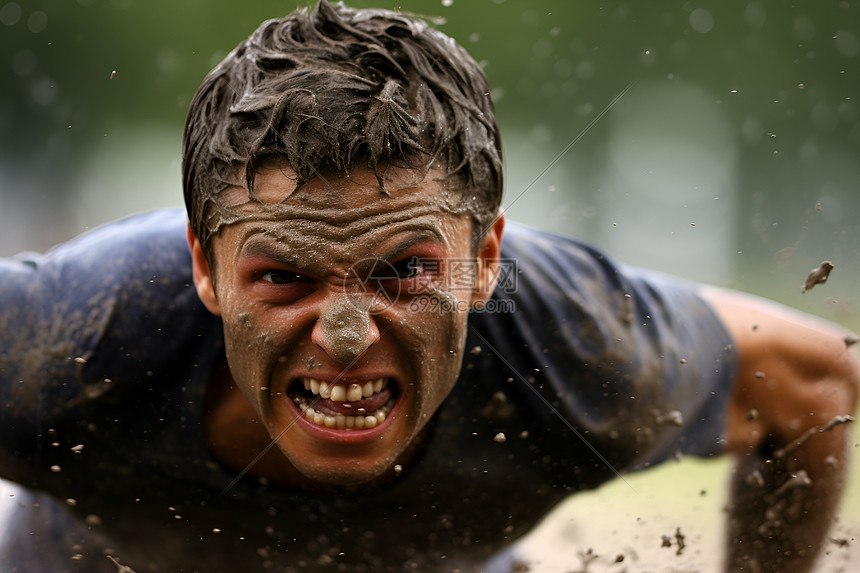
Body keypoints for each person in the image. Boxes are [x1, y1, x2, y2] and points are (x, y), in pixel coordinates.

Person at [1, 1, 857, 571]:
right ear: (204, 268)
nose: (343, 336)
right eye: (285, 277)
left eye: (404, 271)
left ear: (486, 259)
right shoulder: (62, 347)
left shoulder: (570, 349)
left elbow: (814, 379)